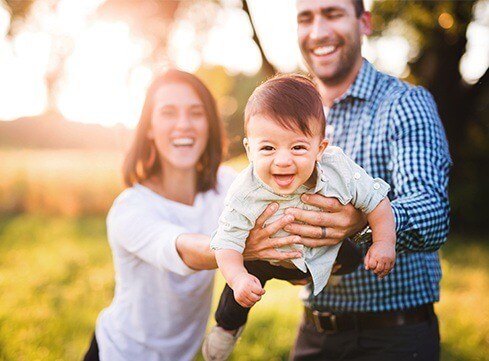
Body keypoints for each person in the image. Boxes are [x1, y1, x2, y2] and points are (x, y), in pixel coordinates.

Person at [82, 69, 305, 361]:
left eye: (196, 113)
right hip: (119, 353)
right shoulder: (131, 207)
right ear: (149, 126)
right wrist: (238, 246)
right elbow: (181, 249)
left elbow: (278, 214)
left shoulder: (228, 186)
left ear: (210, 124)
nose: (184, 125)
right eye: (168, 113)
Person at [288, 0, 452, 360]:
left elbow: (433, 211)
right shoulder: (292, 116)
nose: (318, 32)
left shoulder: (404, 104)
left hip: (394, 338)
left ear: (364, 22)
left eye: (332, 14)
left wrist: (365, 221)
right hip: (313, 333)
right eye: (306, 18)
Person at [202, 74, 396, 361]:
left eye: (298, 147)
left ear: (320, 148)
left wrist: (383, 243)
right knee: (238, 289)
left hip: (324, 250)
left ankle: (329, 271)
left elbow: (377, 201)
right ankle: (227, 328)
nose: (283, 160)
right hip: (268, 259)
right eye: (267, 148)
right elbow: (226, 244)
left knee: (355, 257)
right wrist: (239, 277)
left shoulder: (338, 168)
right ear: (249, 149)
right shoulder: (244, 190)